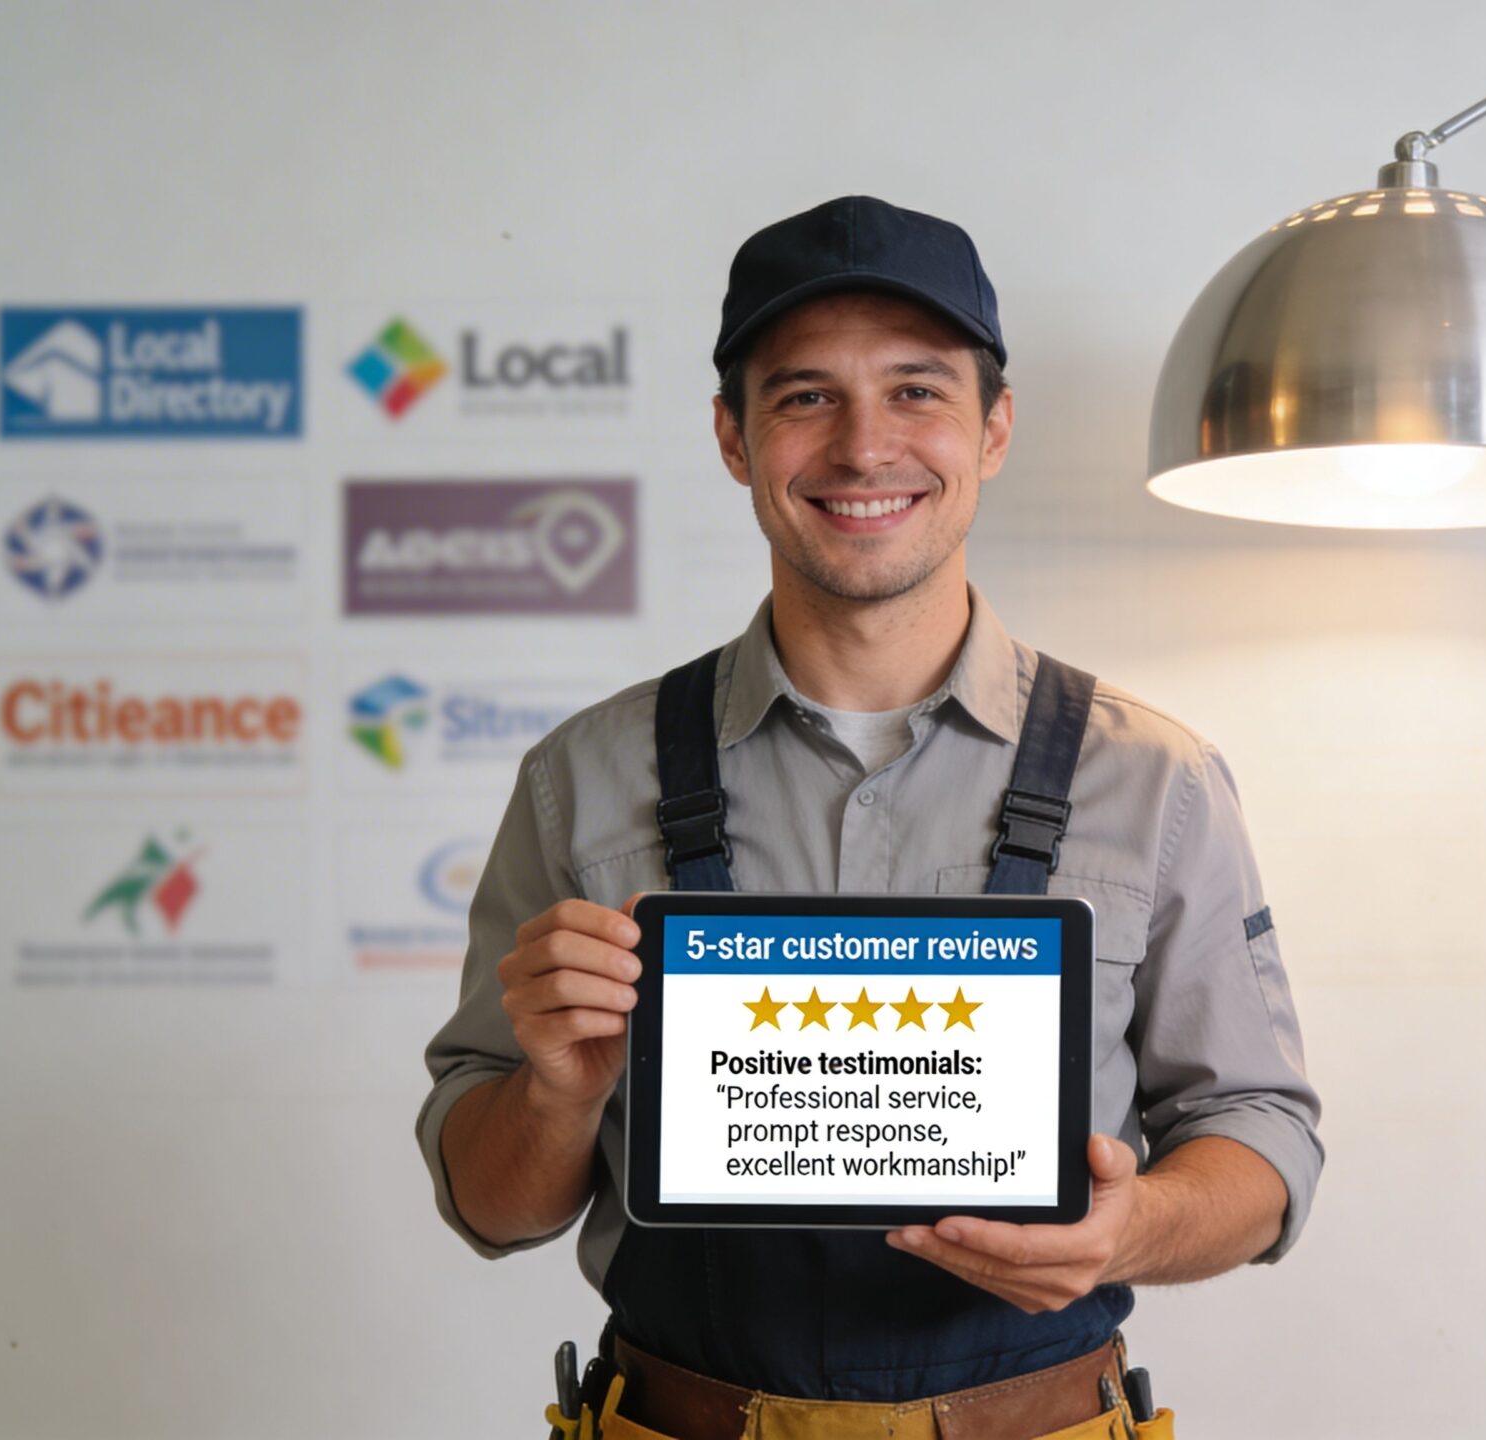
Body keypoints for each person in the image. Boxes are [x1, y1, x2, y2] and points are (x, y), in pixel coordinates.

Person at [418, 195, 1322, 1439]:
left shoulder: (1154, 779)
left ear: (992, 428)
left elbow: (1262, 1139)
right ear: (734, 439)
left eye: (915, 392)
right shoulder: (586, 775)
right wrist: (558, 1096)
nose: (861, 448)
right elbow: (489, 1203)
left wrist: (1138, 1226)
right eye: (803, 398)